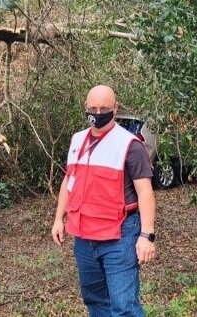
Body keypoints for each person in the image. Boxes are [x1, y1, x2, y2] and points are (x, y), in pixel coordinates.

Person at [51, 85, 156, 317]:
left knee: (124, 307)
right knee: (95, 301)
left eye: (104, 108)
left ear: (115, 108)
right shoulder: (77, 140)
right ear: (86, 108)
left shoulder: (130, 145)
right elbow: (69, 180)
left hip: (119, 237)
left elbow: (145, 192)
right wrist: (59, 218)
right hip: (84, 238)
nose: (98, 113)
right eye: (93, 108)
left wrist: (147, 236)